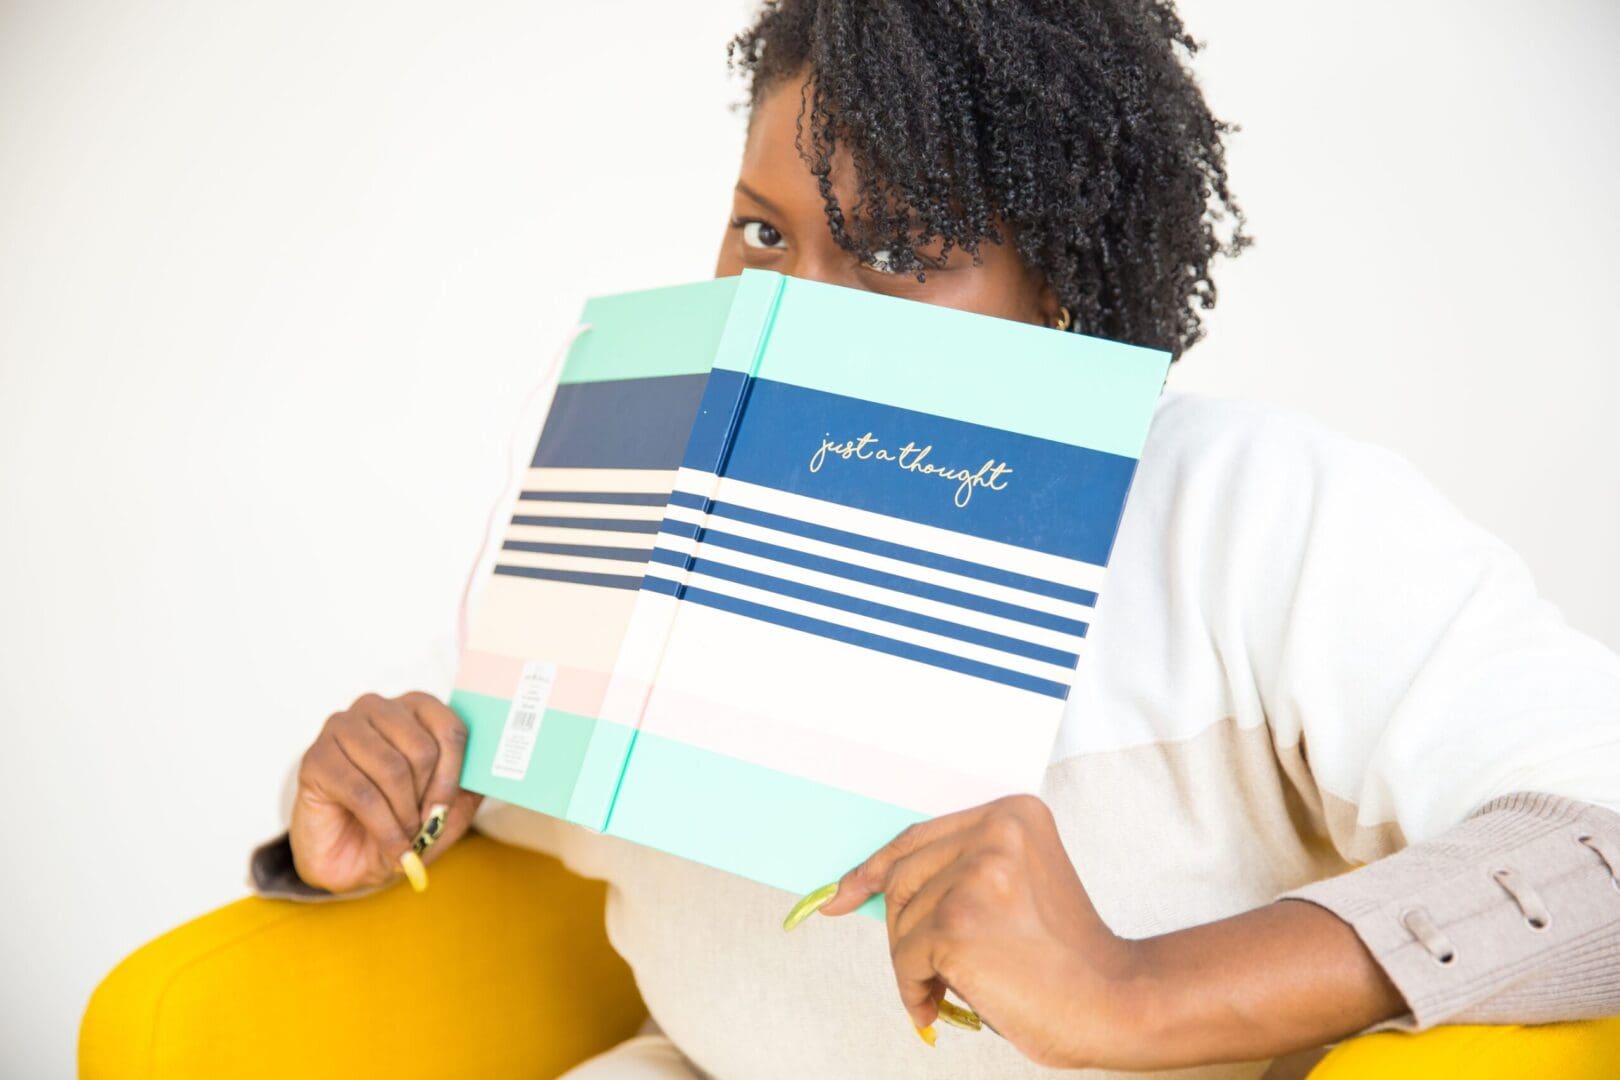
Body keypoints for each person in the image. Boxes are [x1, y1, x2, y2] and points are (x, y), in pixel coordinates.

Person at [251, 1, 1620, 1077]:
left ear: (1065, 282)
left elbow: (1599, 843)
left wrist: (1132, 993)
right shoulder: (635, 505)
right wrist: (375, 799)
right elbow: (461, 800)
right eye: (761, 232)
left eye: (899, 252)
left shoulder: (1253, 515)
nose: (801, 313)